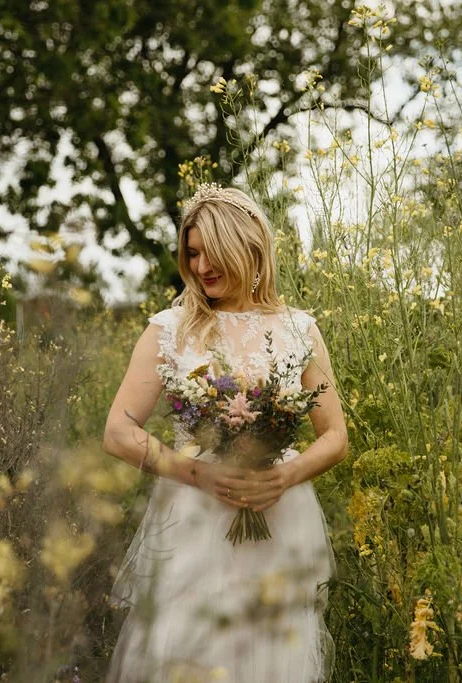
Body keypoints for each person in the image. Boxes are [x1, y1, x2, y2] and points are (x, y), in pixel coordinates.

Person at [102, 184, 348, 682]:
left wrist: (286, 476)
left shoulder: (299, 329)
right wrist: (197, 473)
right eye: (191, 253)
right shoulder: (170, 328)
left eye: (211, 252)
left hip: (279, 520)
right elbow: (118, 431)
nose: (200, 266)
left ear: (248, 248)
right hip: (195, 519)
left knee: (268, 655)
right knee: (187, 648)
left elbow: (335, 435)